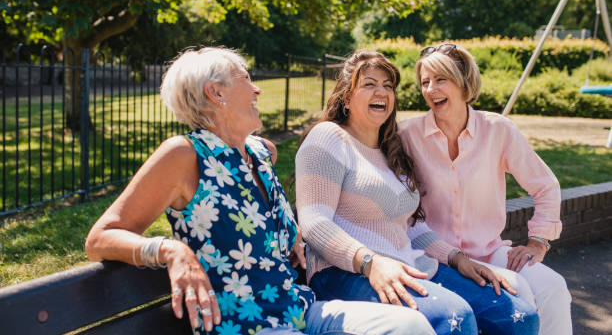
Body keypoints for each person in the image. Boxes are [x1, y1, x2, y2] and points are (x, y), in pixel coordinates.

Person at [85, 47, 437, 335]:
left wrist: (291, 233)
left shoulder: (258, 153)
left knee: (411, 326)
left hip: (299, 311)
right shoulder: (184, 155)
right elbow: (100, 238)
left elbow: (263, 219)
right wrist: (171, 250)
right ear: (215, 92)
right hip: (245, 325)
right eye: (247, 80)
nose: (257, 90)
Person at [295, 50, 539, 335]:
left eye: (388, 86)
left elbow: (411, 227)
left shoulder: (392, 150)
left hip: (410, 264)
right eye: (370, 84)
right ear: (346, 98)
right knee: (452, 320)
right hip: (345, 271)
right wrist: (369, 262)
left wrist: (459, 259)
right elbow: (314, 222)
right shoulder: (328, 137)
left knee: (518, 315)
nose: (382, 92)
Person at [398, 43, 572, 335]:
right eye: (425, 82)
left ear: (464, 82)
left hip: (490, 252)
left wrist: (538, 243)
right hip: (436, 256)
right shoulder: (407, 135)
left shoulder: (498, 130)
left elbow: (546, 187)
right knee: (517, 294)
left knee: (554, 288)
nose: (430, 89)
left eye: (441, 79)